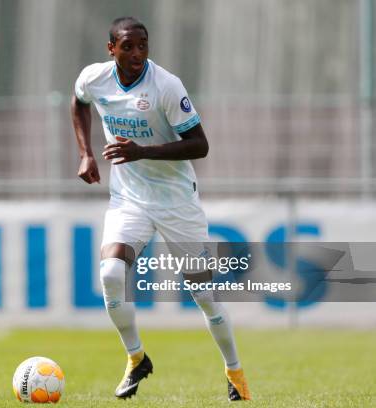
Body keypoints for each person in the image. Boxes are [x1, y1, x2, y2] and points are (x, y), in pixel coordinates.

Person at [70, 17, 251, 401]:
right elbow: (78, 101)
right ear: (111, 49)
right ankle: (136, 358)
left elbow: (200, 145)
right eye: (128, 46)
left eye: (143, 46)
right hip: (129, 199)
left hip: (176, 202)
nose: (137, 54)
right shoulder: (94, 78)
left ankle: (234, 371)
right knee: (110, 272)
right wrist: (86, 153)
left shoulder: (166, 86)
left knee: (203, 294)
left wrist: (142, 152)